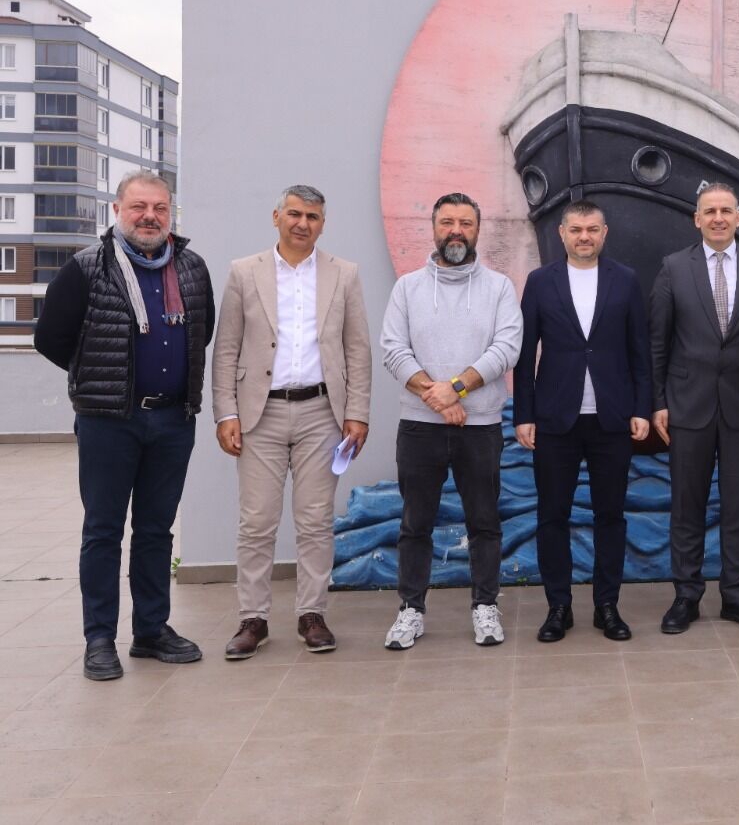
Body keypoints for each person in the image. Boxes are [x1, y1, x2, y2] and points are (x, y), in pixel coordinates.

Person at [34, 170, 215, 681]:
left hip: (173, 420)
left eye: (160, 207)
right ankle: (99, 639)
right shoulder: (87, 267)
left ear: (170, 212)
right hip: (109, 421)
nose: (150, 217)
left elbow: (201, 332)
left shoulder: (191, 267)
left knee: (156, 530)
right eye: (139, 207)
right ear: (118, 210)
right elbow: (50, 338)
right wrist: (99, 377)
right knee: (103, 531)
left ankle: (151, 630)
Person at [211, 185, 372, 659]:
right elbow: (226, 348)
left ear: (323, 224)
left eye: (313, 217)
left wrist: (357, 412)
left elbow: (357, 349)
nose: (303, 223)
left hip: (322, 413)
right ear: (277, 216)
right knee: (257, 522)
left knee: (316, 520)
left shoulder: (344, 274)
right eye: (295, 214)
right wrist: (226, 412)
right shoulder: (245, 272)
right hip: (259, 414)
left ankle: (312, 614)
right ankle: (253, 619)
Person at [379, 192, 522, 650]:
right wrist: (441, 400)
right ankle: (411, 609)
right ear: (434, 227)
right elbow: (393, 350)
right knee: (415, 523)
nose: (456, 231)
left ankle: (485, 606)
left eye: (465, 223)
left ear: (478, 230)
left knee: (484, 522)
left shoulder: (499, 288)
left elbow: (507, 349)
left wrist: (455, 388)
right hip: (419, 428)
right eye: (447, 222)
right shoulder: (408, 288)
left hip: (480, 428)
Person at [650, 182, 739, 634]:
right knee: (686, 506)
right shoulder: (674, 267)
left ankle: (736, 596)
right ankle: (686, 596)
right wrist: (658, 402)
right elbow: (658, 342)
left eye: (726, 211)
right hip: (687, 407)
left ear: (738, 218)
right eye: (709, 211)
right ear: (696, 219)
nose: (717, 218)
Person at [513, 200, 651, 643]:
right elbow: (524, 355)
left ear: (604, 233)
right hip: (555, 420)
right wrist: (524, 414)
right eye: (576, 229)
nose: (584, 237)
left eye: (592, 229)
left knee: (611, 516)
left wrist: (642, 408)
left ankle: (607, 606)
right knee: (552, 516)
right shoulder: (540, 282)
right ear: (562, 233)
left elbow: (640, 352)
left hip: (612, 419)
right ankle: (559, 607)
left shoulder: (626, 280)